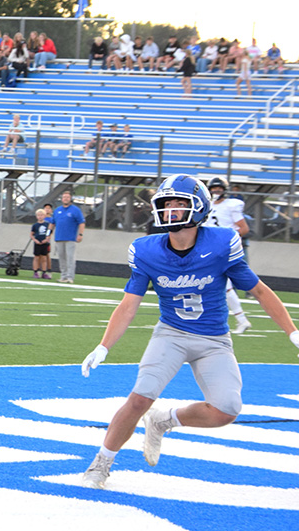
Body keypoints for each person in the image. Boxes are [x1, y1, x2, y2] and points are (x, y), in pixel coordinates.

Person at [80, 174, 299, 490]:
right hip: (171, 334)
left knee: (227, 410)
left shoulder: (221, 244)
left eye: (180, 203)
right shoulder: (146, 250)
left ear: (200, 209)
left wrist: (292, 332)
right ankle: (100, 464)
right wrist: (103, 346)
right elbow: (129, 305)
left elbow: (260, 291)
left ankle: (164, 419)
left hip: (214, 340)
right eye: (167, 203)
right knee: (140, 398)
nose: (171, 209)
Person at [205, 177, 252, 333]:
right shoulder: (207, 205)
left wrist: (227, 239)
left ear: (224, 190)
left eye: (219, 188)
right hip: (208, 249)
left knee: (224, 286)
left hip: (223, 249)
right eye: (214, 188)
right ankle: (241, 319)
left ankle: (240, 319)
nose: (216, 191)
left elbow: (244, 229)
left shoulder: (231, 205)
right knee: (222, 287)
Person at [51, 190, 84, 283]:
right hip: (59, 238)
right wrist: (48, 235)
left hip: (70, 238)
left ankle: (70, 277)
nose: (65, 199)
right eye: (64, 197)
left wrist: (80, 234)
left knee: (70, 258)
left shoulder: (75, 210)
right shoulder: (57, 210)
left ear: (70, 199)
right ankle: (63, 276)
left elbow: (81, 222)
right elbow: (52, 223)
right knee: (61, 258)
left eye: (67, 197)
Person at [30, 208, 52, 279]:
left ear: (45, 216)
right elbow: (31, 234)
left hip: (44, 243)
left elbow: (49, 233)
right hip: (37, 243)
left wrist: (46, 239)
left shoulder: (47, 224)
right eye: (38, 215)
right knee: (36, 257)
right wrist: (35, 240)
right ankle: (35, 271)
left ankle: (44, 272)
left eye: (41, 215)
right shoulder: (35, 225)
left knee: (44, 258)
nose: (40, 217)